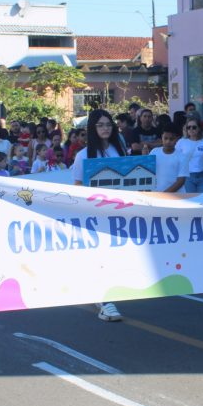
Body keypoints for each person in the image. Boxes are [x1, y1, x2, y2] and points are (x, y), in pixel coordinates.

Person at [72, 109, 124, 322]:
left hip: (118, 213)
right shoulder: (83, 156)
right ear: (93, 128)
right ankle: (104, 300)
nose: (105, 128)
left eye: (108, 124)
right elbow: (77, 185)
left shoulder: (119, 150)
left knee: (113, 257)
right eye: (100, 125)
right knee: (99, 256)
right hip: (94, 214)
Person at [176, 117, 203, 193]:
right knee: (190, 199)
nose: (191, 129)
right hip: (187, 176)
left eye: (194, 127)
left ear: (199, 128)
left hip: (202, 176)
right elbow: (175, 159)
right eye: (188, 127)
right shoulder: (181, 142)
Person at [151, 125, 188, 193]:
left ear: (177, 139)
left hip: (177, 196)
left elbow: (181, 180)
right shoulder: (154, 152)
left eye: (171, 139)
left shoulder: (182, 157)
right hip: (157, 195)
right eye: (165, 138)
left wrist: (165, 194)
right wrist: (144, 157)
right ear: (162, 137)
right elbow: (148, 171)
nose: (168, 141)